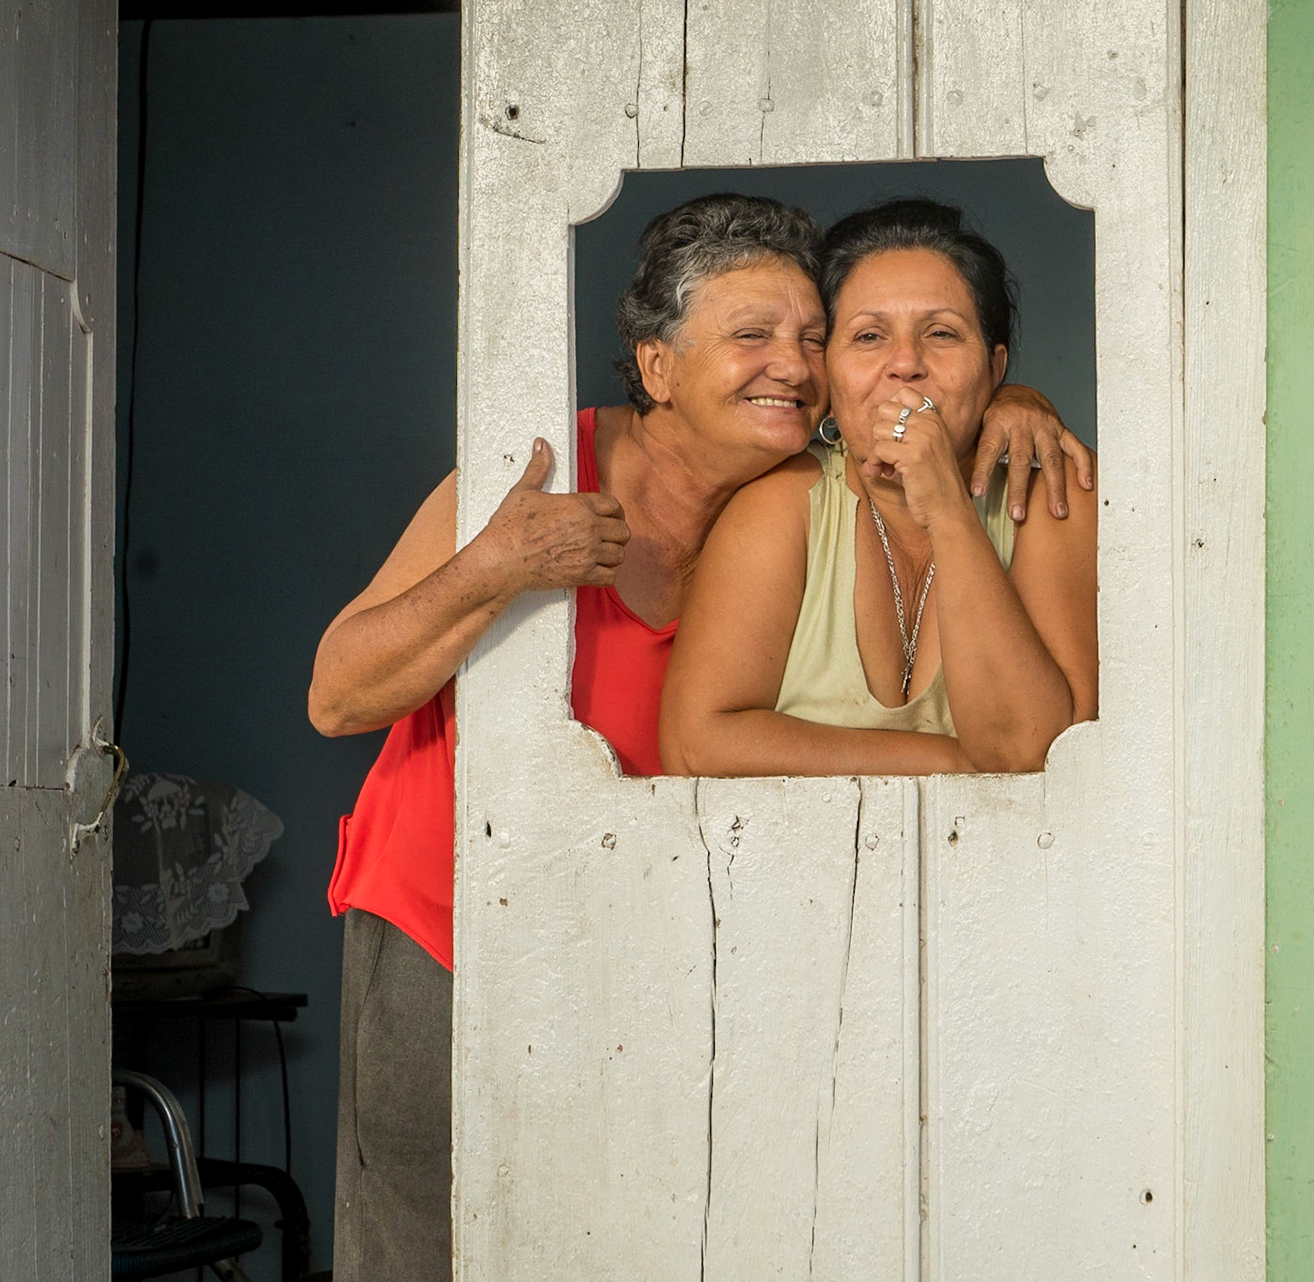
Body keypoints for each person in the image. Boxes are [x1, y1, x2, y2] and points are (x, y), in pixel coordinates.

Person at [307, 192, 1091, 1282]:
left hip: (643, 956)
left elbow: (918, 379)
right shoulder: (539, 473)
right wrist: (498, 564)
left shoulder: (779, 491)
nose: (797, 364)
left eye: (814, 337)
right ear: (659, 366)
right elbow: (337, 696)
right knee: (428, 1249)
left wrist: (1018, 399)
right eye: (752, 336)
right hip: (450, 928)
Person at [658, 200, 1098, 778]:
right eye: (868, 336)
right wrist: (951, 761)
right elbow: (696, 746)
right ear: (828, 371)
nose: (906, 364)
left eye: (942, 333)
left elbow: (1031, 750)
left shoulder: (1055, 501)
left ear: (995, 370)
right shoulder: (782, 505)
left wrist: (945, 503)